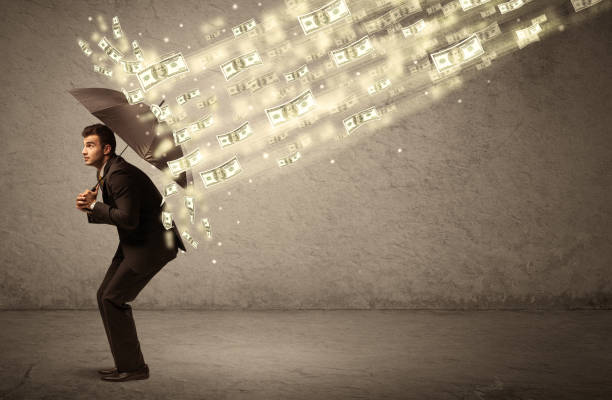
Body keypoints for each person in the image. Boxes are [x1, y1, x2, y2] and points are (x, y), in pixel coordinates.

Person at [75, 123, 185, 382]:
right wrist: (92, 207)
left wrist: (96, 206)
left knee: (113, 298)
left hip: (152, 245)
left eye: (90, 145)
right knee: (105, 295)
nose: (84, 151)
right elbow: (124, 216)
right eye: (84, 145)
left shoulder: (119, 174)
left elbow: (128, 219)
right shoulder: (110, 171)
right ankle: (127, 363)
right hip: (135, 243)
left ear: (107, 148)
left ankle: (134, 368)